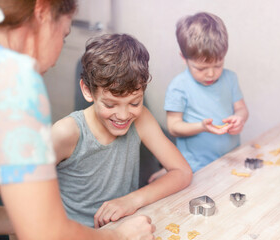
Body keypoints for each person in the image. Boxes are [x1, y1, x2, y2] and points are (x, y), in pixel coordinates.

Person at [0, 1, 155, 239]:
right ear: (42, 10)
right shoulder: (12, 81)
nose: (57, 56)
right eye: (64, 35)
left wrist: (32, 219)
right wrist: (117, 236)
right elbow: (45, 233)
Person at [51, 33, 192, 229]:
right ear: (87, 91)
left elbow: (183, 172)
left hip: (123, 228)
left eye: (134, 102)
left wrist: (132, 200)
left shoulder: (141, 118)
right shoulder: (66, 132)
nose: (124, 115)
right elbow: (23, 200)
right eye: (110, 104)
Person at [149, 12, 249, 181]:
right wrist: (202, 126)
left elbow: (241, 109)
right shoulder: (179, 87)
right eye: (201, 68)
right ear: (184, 58)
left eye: (218, 65)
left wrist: (240, 119)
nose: (211, 74)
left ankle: (164, 173)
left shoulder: (230, 78)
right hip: (194, 166)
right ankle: (166, 172)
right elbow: (174, 127)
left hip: (229, 158)